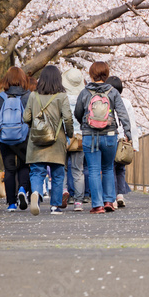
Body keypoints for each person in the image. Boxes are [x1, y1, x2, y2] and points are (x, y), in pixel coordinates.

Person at [74, 61, 130, 213]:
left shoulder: (85, 92)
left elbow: (77, 113)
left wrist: (85, 124)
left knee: (93, 169)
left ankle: (97, 205)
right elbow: (123, 114)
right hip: (110, 135)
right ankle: (109, 202)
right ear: (106, 74)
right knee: (107, 168)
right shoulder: (113, 92)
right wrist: (128, 133)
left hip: (90, 135)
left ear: (91, 74)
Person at [23, 64, 74, 215]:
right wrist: (69, 134)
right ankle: (55, 206)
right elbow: (68, 118)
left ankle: (36, 193)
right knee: (58, 173)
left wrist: (36, 126)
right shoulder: (61, 97)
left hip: (36, 140)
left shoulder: (33, 95)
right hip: (56, 140)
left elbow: (26, 117)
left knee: (37, 171)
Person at [0, 66, 32, 211]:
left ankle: (11, 203)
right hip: (24, 137)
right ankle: (22, 189)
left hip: (5, 138)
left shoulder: (1, 97)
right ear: (23, 79)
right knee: (24, 166)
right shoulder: (28, 96)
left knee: (9, 169)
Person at [106, 76, 139, 209]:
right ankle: (120, 195)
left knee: (110, 167)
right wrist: (133, 142)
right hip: (123, 139)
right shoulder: (126, 102)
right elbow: (131, 123)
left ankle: (112, 197)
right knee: (121, 168)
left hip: (111, 137)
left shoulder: (105, 100)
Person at [62, 67, 87, 211]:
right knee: (78, 170)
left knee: (63, 168)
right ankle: (78, 201)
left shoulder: (61, 97)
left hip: (64, 136)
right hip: (80, 137)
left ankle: (64, 190)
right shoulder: (84, 97)